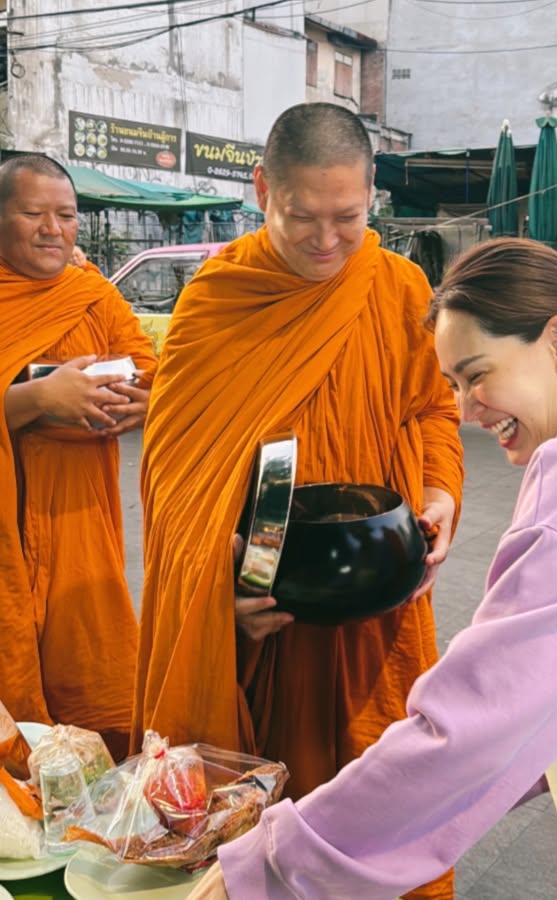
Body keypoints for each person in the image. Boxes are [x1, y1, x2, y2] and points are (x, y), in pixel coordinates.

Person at [186, 237, 557, 900]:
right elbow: (526, 719)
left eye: (477, 374)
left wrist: (275, 864)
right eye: (455, 385)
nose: (466, 409)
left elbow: (483, 722)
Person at [132, 103, 464, 899]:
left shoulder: (397, 286)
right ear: (260, 190)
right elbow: (175, 477)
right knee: (262, 824)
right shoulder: (219, 298)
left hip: (380, 604)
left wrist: (440, 489)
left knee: (382, 804)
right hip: (267, 619)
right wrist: (221, 596)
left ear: (372, 194)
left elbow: (431, 408)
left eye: (347, 218)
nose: (325, 240)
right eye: (301, 217)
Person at [0, 154, 157, 760]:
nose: (52, 228)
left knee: (95, 681)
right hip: (7, 529)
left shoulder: (91, 294)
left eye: (65, 215)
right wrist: (38, 397)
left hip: (81, 529)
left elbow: (147, 367)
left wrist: (138, 401)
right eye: (33, 213)